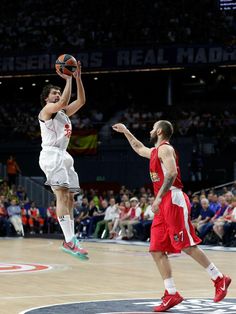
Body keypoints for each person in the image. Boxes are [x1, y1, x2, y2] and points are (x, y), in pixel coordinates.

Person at [112, 120, 231, 312]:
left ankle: (219, 278)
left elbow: (172, 173)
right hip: (163, 203)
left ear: (159, 131)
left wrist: (158, 198)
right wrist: (126, 131)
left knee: (186, 245)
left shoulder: (166, 149)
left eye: (152, 128)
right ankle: (171, 293)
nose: (150, 130)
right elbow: (138, 147)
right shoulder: (154, 152)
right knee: (156, 249)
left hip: (173, 199)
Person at [38, 60, 88, 259]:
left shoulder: (63, 113)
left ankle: (71, 239)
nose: (58, 95)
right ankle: (69, 240)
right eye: (54, 93)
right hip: (51, 154)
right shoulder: (46, 111)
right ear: (46, 99)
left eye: (59, 92)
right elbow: (63, 102)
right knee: (61, 195)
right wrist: (68, 79)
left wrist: (77, 78)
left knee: (69, 198)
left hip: (64, 155)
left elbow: (81, 101)